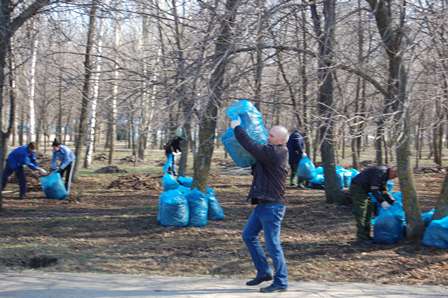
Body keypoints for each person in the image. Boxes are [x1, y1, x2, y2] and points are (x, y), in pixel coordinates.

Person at [231, 117, 289, 293]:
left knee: (273, 245)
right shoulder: (270, 153)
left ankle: (281, 282)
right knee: (248, 235)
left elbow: (251, 146)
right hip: (263, 205)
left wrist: (238, 128)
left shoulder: (277, 152)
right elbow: (257, 164)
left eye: (271, 136)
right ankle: (264, 272)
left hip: (273, 207)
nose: (267, 137)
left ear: (280, 140)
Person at [349, 166, 398, 242]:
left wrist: (391, 200)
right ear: (392, 171)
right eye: (394, 175)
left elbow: (383, 189)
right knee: (362, 211)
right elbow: (374, 189)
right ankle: (361, 237)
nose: (393, 178)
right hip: (358, 188)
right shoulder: (380, 172)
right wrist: (382, 201)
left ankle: (366, 235)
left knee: (369, 210)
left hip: (365, 190)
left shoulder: (385, 175)